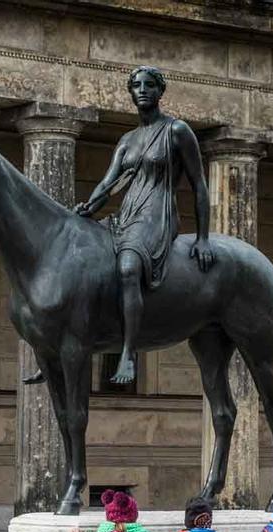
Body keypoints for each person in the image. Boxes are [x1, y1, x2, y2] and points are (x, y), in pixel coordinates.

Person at [72, 65, 214, 385]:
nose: (142, 90)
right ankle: (67, 343)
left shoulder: (177, 131)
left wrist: (203, 238)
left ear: (161, 91)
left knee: (127, 267)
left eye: (150, 85)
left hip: (158, 213)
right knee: (85, 264)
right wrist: (87, 207)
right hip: (129, 211)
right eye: (136, 85)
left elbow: (200, 185)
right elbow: (107, 183)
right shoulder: (127, 140)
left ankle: (127, 353)